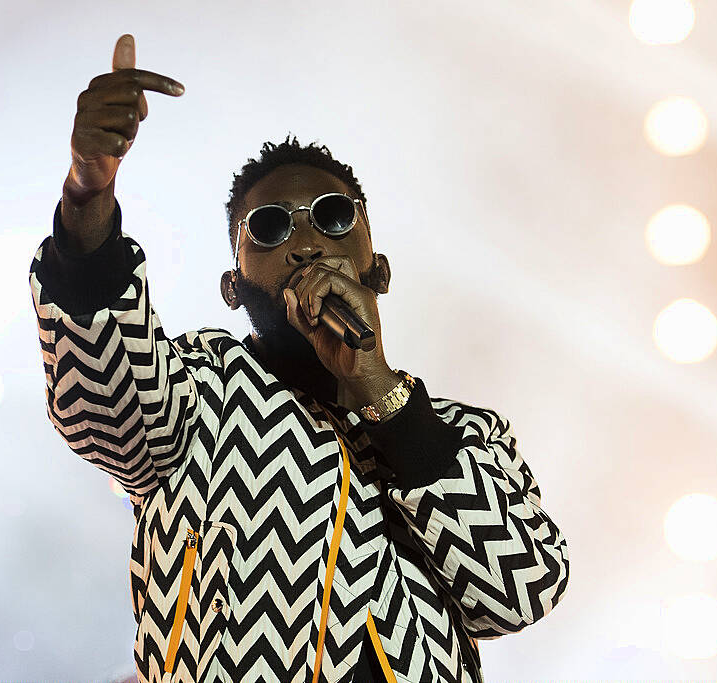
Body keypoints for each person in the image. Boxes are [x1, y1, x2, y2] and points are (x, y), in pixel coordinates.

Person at [29, 33, 569, 683]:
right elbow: (102, 402)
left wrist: (381, 393)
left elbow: (523, 589)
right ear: (233, 287)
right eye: (270, 227)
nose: (308, 240)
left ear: (380, 269)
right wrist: (87, 196)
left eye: (334, 216)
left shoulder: (468, 435)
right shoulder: (202, 390)